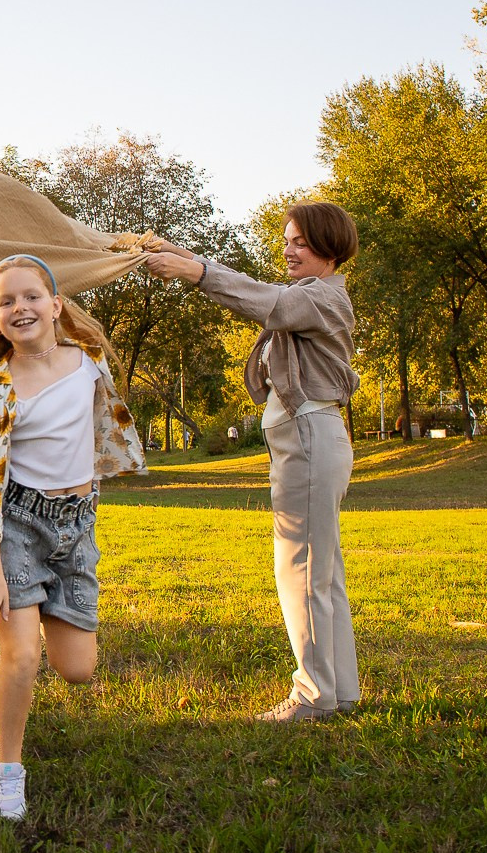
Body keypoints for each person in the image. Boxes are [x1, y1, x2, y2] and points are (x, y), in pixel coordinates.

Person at [0, 254, 145, 821]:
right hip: (19, 527)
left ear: (56, 305)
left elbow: (98, 427)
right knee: (22, 655)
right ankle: (8, 770)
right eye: (5, 301)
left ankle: (46, 609)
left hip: (77, 523)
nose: (19, 307)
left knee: (77, 669)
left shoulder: (89, 361)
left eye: (31, 296)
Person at [144, 203, 362, 723]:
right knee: (321, 571)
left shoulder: (321, 298)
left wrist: (193, 272)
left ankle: (312, 696)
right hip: (306, 439)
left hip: (309, 439)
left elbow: (264, 301)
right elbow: (257, 291)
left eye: (300, 242)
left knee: (301, 568)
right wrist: (177, 254)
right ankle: (338, 692)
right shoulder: (310, 295)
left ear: (329, 247)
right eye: (286, 240)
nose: (288, 250)